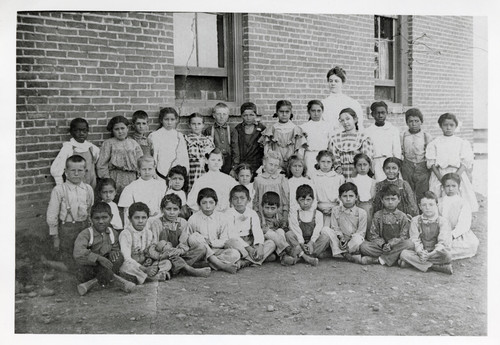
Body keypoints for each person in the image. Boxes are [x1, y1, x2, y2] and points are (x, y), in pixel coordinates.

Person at [73, 202, 135, 295]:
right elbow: (78, 252)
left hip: (106, 266)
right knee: (92, 268)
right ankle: (119, 281)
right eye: (97, 218)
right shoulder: (86, 234)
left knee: (118, 257)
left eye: (104, 218)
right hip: (90, 267)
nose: (101, 221)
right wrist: (99, 258)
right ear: (91, 219)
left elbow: (115, 247)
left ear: (111, 217)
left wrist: (113, 252)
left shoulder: (112, 233)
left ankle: (92, 283)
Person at [46, 155, 94, 268]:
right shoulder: (59, 190)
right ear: (66, 172)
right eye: (73, 170)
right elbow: (52, 214)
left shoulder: (88, 189)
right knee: (69, 257)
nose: (76, 174)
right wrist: (55, 236)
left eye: (80, 170)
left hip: (84, 227)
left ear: (85, 172)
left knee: (83, 255)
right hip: (67, 229)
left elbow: (90, 209)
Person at [426, 113, 478, 212]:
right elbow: (431, 163)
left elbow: (465, 162)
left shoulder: (461, 142)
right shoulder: (435, 143)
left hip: (457, 173)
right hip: (440, 174)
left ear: (455, 126)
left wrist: (455, 178)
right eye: (445, 125)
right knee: (440, 199)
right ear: (441, 126)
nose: (448, 128)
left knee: (459, 198)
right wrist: (441, 178)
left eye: (451, 125)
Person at [149, 194, 211, 277]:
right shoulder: (157, 223)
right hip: (164, 256)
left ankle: (174, 270)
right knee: (165, 259)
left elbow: (184, 245)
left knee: (202, 248)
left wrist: (179, 251)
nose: (172, 212)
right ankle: (188, 269)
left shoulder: (183, 222)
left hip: (180, 255)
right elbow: (153, 246)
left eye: (175, 209)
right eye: (168, 209)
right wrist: (161, 255)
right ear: (162, 210)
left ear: (179, 210)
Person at [186, 188, 240, 274]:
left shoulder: (222, 218)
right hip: (200, 253)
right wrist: (202, 242)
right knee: (194, 236)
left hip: (216, 251)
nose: (208, 206)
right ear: (199, 204)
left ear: (216, 203)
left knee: (235, 254)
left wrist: (210, 243)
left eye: (211, 202)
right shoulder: (193, 219)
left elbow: (225, 240)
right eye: (204, 203)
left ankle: (206, 264)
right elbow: (189, 240)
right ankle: (221, 265)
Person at [359, 184, 414, 266]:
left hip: (396, 246)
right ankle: (394, 259)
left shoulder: (402, 216)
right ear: (382, 200)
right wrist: (383, 245)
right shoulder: (378, 215)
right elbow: (373, 235)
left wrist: (391, 244)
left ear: (399, 199)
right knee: (364, 246)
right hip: (382, 248)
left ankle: (378, 260)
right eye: (387, 199)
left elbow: (404, 236)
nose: (390, 202)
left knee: (409, 244)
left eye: (393, 199)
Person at [399, 191, 453, 274]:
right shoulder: (415, 220)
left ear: (437, 205)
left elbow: (442, 242)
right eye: (424, 205)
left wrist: (430, 254)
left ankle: (412, 264)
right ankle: (436, 267)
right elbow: (414, 239)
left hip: (435, 253)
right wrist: (420, 252)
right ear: (420, 206)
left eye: (431, 205)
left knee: (447, 256)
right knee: (404, 254)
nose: (428, 208)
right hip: (421, 252)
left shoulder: (442, 221)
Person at [119, 202, 172, 284]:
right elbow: (127, 258)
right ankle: (150, 277)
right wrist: (144, 269)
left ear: (148, 218)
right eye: (136, 218)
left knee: (167, 263)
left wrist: (149, 261)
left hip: (147, 264)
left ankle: (147, 276)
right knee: (125, 268)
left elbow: (150, 250)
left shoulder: (149, 233)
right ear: (130, 218)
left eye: (144, 218)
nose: (140, 221)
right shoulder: (125, 234)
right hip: (134, 266)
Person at [225, 185, 277, 268]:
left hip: (250, 240)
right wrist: (249, 249)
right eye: (235, 198)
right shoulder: (228, 214)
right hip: (238, 243)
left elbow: (257, 230)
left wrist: (260, 246)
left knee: (271, 244)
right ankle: (257, 258)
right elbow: (232, 234)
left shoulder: (252, 213)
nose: (239, 201)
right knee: (234, 247)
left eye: (242, 198)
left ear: (248, 200)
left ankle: (246, 262)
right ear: (230, 200)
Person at [285, 184, 335, 266]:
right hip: (299, 242)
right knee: (289, 234)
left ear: (313, 200)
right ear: (297, 200)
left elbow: (317, 231)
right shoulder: (294, 214)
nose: (305, 203)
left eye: (308, 200)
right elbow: (295, 230)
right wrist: (301, 243)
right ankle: (307, 257)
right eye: (302, 200)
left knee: (325, 237)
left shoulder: (318, 214)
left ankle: (298, 257)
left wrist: (311, 243)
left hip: (312, 243)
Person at [96, 116, 143, 195]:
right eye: (117, 129)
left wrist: (139, 176)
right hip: (115, 176)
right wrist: (108, 181)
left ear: (127, 128)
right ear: (112, 131)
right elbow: (102, 164)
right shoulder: (108, 143)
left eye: (122, 128)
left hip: (132, 176)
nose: (120, 131)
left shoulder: (133, 143)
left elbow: (140, 161)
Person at [438, 173, 479, 260]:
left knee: (469, 245)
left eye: (453, 186)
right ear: (443, 187)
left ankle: (437, 257)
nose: (450, 189)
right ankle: (438, 256)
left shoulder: (463, 203)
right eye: (447, 186)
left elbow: (464, 224)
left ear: (459, 186)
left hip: (458, 235)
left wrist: (452, 235)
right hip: (442, 233)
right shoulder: (439, 202)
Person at [50, 118, 99, 189]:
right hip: (73, 188)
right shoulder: (68, 148)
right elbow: (56, 170)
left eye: (84, 130)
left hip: (90, 187)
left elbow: (95, 162)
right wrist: (61, 187)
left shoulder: (92, 148)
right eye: (77, 130)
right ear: (71, 132)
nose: (81, 133)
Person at [118, 156, 167, 225]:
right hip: (139, 222)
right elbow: (127, 212)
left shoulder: (161, 185)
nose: (147, 172)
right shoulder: (131, 187)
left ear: (154, 168)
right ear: (139, 170)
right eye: (144, 169)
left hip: (158, 221)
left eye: (150, 169)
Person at [259, 100, 306, 171]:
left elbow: (300, 152)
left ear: (290, 113)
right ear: (277, 112)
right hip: (275, 165)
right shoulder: (271, 130)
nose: (284, 114)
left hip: (292, 165)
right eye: (281, 111)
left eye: (287, 112)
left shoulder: (296, 130)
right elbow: (267, 150)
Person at [187, 148, 238, 213]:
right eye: (213, 160)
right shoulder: (201, 180)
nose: (216, 162)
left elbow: (237, 194)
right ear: (206, 161)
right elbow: (192, 202)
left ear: (222, 162)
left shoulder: (228, 180)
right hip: (206, 215)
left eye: (219, 160)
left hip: (225, 215)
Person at [328, 108, 373, 179]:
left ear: (355, 119)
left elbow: (366, 158)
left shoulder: (363, 137)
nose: (345, 122)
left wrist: (356, 173)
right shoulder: (335, 138)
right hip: (340, 175)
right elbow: (334, 157)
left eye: (347, 119)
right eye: (342, 120)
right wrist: (338, 167)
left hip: (358, 174)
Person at [328, 182, 367, 262]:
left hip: (352, 241)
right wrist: (341, 238)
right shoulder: (335, 210)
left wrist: (349, 239)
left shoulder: (362, 212)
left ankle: (343, 253)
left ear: (356, 197)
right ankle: (346, 254)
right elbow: (335, 227)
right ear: (340, 197)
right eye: (345, 196)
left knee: (358, 239)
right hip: (340, 240)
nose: (348, 199)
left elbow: (361, 232)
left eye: (351, 196)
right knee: (326, 230)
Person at [147, 107, 189, 180]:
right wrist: (153, 172)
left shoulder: (179, 136)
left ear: (176, 120)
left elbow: (183, 157)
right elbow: (153, 156)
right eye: (166, 119)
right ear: (161, 120)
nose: (169, 122)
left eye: (172, 119)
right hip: (159, 173)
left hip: (176, 174)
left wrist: (183, 172)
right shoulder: (154, 135)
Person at [400, 108, 432, 203]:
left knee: (422, 193)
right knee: (408, 192)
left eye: (416, 121)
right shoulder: (403, 135)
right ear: (407, 123)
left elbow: (430, 154)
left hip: (422, 167)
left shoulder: (426, 136)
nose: (413, 124)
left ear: (421, 122)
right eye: (410, 121)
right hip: (407, 166)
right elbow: (401, 151)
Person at [364, 101, 402, 181]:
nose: (380, 115)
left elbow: (397, 150)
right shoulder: (367, 131)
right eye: (377, 113)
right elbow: (367, 152)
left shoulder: (393, 130)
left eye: (383, 113)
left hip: (390, 163)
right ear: (372, 114)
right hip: (375, 164)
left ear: (387, 113)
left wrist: (396, 165)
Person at [322, 66, 364, 133]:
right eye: (330, 81)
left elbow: (359, 125)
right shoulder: (323, 103)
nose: (333, 83)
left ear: (342, 83)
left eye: (336, 81)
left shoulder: (351, 103)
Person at [259, 192, 296, 266]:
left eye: (273, 208)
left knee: (280, 231)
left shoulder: (278, 216)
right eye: (267, 208)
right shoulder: (259, 216)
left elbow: (283, 227)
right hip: (264, 242)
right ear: (262, 206)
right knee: (268, 232)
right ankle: (287, 249)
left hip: (276, 243)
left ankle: (283, 256)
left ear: (278, 208)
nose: (269, 211)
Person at [252, 152, 290, 224]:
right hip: (262, 217)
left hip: (278, 216)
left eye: (276, 165)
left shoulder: (281, 179)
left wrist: (284, 218)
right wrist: (258, 217)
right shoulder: (258, 180)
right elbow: (255, 201)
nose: (273, 168)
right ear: (264, 163)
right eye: (271, 164)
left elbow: (285, 200)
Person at [310, 150, 345, 225]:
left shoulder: (339, 177)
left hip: (335, 209)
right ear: (318, 162)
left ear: (332, 163)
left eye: (328, 162)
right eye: (323, 161)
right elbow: (312, 196)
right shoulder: (313, 177)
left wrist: (334, 209)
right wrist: (319, 208)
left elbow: (342, 197)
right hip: (318, 209)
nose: (325, 165)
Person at [231, 102, 266, 175]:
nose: (248, 118)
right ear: (241, 116)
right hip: (242, 165)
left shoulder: (261, 129)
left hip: (257, 165)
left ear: (255, 115)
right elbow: (235, 149)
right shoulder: (238, 129)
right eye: (245, 115)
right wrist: (235, 166)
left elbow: (265, 149)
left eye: (251, 115)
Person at [300, 100, 333, 176]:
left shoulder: (328, 127)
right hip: (309, 157)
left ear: (322, 111)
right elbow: (301, 149)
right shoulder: (303, 127)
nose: (316, 113)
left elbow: (330, 146)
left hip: (324, 158)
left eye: (319, 111)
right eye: (313, 111)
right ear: (309, 111)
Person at [203, 102, 236, 174]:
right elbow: (206, 150)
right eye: (219, 114)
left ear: (228, 116)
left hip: (228, 162)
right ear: (214, 115)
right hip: (214, 161)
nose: (222, 117)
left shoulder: (232, 130)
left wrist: (234, 167)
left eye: (224, 114)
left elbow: (235, 150)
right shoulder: (209, 130)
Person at [184, 112, 215, 189]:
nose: (196, 126)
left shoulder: (208, 140)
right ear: (189, 125)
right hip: (192, 171)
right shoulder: (186, 139)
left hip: (204, 171)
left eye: (199, 124)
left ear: (203, 125)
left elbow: (212, 157)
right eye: (193, 124)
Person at [350, 153, 376, 232]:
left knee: (367, 210)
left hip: (369, 209)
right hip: (355, 207)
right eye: (359, 165)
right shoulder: (351, 180)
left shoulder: (373, 181)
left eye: (365, 165)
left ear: (369, 166)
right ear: (355, 166)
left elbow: (373, 197)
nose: (362, 167)